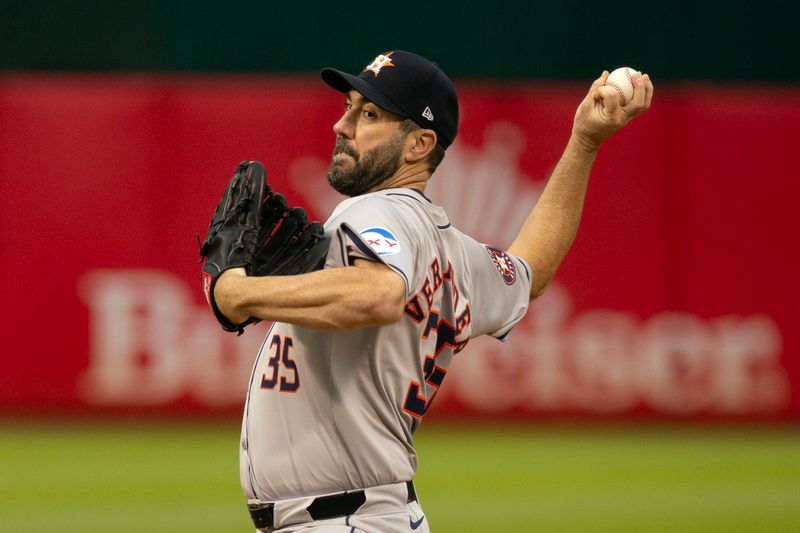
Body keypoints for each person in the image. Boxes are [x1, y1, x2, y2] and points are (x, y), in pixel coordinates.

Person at [214, 50, 653, 532]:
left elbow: (380, 294)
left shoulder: (375, 211)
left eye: (369, 114)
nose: (343, 125)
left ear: (419, 144)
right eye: (348, 106)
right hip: (372, 516)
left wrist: (238, 294)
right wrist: (583, 143)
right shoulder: (453, 252)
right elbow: (531, 271)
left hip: (344, 520)